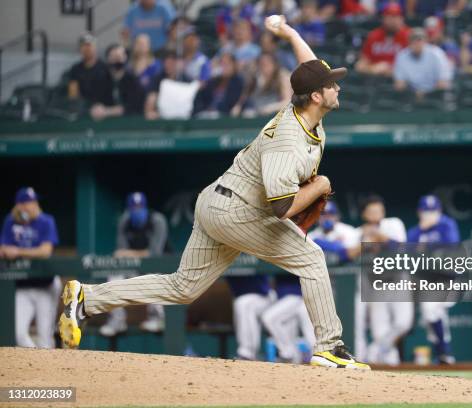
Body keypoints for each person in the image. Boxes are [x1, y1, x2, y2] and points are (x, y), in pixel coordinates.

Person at [59, 15, 370, 370]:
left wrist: (289, 32)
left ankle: (87, 297)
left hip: (218, 202)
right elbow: (282, 207)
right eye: (332, 85)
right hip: (237, 211)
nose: (338, 88)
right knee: (311, 258)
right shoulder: (288, 140)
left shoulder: (302, 109)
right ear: (316, 96)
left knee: (183, 287)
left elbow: (308, 67)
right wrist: (320, 186)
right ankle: (329, 347)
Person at [99, 192, 169, 336]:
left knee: (153, 276)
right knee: (114, 276)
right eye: (134, 208)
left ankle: (158, 318)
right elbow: (121, 254)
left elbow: (154, 254)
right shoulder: (125, 222)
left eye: (140, 207)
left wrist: (129, 254)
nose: (137, 211)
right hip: (135, 268)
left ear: (145, 207)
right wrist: (129, 255)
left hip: (162, 267)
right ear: (129, 210)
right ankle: (117, 321)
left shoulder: (157, 220)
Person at [1, 187, 59, 349]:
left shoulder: (46, 220)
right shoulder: (10, 221)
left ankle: (50, 370)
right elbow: (3, 248)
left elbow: (46, 251)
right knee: (18, 334)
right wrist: (6, 251)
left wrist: (18, 251)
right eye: (27, 203)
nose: (32, 206)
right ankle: (34, 362)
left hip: (45, 285)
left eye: (33, 202)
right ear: (19, 205)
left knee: (45, 338)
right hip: (22, 286)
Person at [356, 194, 411, 365]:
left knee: (404, 323)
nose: (376, 214)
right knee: (380, 331)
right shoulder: (359, 233)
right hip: (376, 285)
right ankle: (389, 364)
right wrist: (365, 240)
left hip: (398, 280)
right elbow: (350, 254)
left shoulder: (393, 224)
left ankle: (375, 350)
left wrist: (380, 237)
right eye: (371, 211)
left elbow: (402, 248)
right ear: (364, 214)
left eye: (379, 210)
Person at [407, 195, 460, 364]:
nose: (429, 215)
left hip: (448, 278)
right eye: (426, 211)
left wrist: (425, 249)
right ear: (419, 212)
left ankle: (444, 351)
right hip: (428, 280)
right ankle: (444, 353)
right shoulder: (416, 231)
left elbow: (451, 247)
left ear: (440, 211)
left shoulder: (447, 224)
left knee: (432, 311)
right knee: (432, 314)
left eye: (433, 211)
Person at [309, 201, 363, 358]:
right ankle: (322, 357)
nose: (327, 218)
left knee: (355, 326)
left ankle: (359, 358)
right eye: (323, 214)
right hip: (326, 288)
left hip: (350, 286)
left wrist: (325, 245)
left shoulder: (348, 231)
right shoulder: (312, 236)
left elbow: (350, 253)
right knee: (320, 327)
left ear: (337, 216)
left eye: (330, 214)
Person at [261, 274, 316, 363]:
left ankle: (289, 353)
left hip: (299, 296)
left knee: (269, 318)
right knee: (291, 336)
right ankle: (290, 355)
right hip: (285, 299)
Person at [89, 44, 146, 121]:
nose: (118, 60)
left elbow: (134, 106)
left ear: (125, 58)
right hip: (105, 124)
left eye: (120, 57)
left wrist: (107, 111)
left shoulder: (133, 80)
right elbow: (95, 102)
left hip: (130, 123)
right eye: (114, 57)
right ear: (108, 58)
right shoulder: (100, 79)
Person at [355, 3, 411, 77]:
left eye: (396, 16)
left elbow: (415, 66)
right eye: (389, 16)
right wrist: (373, 69)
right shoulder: (374, 36)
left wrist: (392, 70)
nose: (392, 20)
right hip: (374, 80)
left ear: (401, 18)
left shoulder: (409, 36)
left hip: (399, 81)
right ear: (383, 18)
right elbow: (360, 66)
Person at [226, 276, 273, 360]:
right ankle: (248, 353)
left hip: (264, 296)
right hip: (242, 299)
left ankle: (248, 352)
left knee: (243, 303)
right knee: (241, 303)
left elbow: (263, 289)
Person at [393, 28, 453, 96]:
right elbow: (399, 84)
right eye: (413, 39)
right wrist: (415, 95)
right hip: (411, 97)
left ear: (426, 41)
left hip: (435, 96)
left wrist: (424, 94)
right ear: (409, 42)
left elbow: (443, 83)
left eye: (419, 39)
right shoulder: (402, 56)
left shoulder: (437, 54)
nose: (417, 43)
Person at [233, 52, 292, 117]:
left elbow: (288, 102)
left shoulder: (282, 77)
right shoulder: (255, 78)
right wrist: (238, 106)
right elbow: (244, 97)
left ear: (274, 65)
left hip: (276, 117)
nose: (263, 67)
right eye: (261, 64)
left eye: (267, 64)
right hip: (257, 114)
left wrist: (271, 108)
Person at [67, 33, 113, 107]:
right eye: (84, 46)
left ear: (95, 47)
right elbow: (73, 93)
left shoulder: (106, 68)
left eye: (90, 45)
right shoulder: (75, 69)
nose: (87, 48)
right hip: (82, 109)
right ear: (80, 49)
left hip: (103, 109)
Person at [192, 53, 244, 117]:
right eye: (222, 64)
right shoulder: (213, 81)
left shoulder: (238, 82)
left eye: (227, 64)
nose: (224, 67)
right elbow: (202, 98)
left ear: (234, 65)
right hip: (207, 115)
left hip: (225, 117)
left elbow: (231, 103)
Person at [144, 51, 185, 120]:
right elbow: (151, 99)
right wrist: (150, 112)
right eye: (166, 63)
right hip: (160, 118)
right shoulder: (157, 79)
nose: (168, 65)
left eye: (171, 63)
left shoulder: (185, 79)